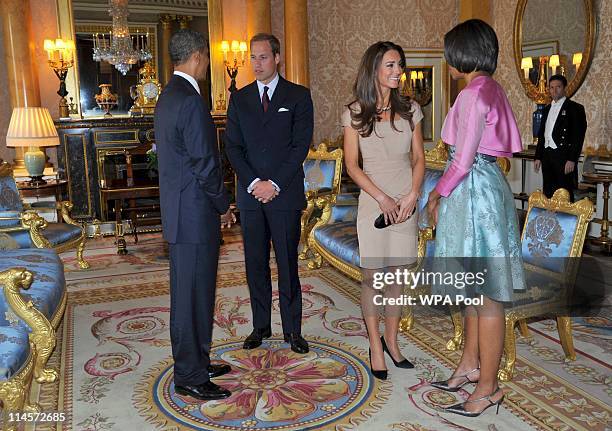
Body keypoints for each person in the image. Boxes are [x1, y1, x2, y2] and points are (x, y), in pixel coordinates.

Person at [426, 19, 525, 416]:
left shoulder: (471, 94)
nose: (447, 59)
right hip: (488, 189)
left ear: (462, 53)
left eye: (450, 51)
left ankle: (487, 387)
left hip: (474, 195)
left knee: (485, 296)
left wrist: (435, 194)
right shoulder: (492, 88)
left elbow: (462, 160)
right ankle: (469, 365)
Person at [154, 29, 235, 401]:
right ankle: (188, 375)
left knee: (199, 293)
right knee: (190, 298)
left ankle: (198, 362)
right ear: (199, 56)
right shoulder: (189, 100)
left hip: (183, 212)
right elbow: (206, 163)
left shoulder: (168, 95)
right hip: (194, 215)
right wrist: (224, 205)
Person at [225, 33, 314, 354]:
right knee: (255, 264)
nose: (256, 63)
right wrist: (254, 184)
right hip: (250, 197)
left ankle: (293, 331)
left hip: (285, 195)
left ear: (277, 58)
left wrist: (273, 183)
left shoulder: (299, 96)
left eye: (263, 57)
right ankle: (260, 326)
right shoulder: (239, 98)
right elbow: (233, 148)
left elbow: (299, 146)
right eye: (253, 57)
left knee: (288, 264)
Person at [343, 41, 425, 380]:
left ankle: (391, 341)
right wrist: (383, 198)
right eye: (390, 65)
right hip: (373, 203)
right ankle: (375, 346)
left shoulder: (411, 110)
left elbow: (418, 158)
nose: (397, 72)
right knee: (373, 279)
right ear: (375, 68)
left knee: (397, 279)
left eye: (400, 65)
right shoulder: (354, 112)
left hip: (405, 203)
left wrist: (413, 194)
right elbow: (351, 165)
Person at [535, 74, 587, 202]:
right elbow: (542, 134)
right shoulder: (546, 109)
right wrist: (538, 156)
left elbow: (578, 136)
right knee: (548, 191)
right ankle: (550, 220)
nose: (554, 90)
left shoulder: (575, 108)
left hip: (563, 156)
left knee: (564, 192)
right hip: (547, 155)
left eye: (558, 87)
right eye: (551, 87)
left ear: (564, 88)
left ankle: (566, 221)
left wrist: (572, 159)